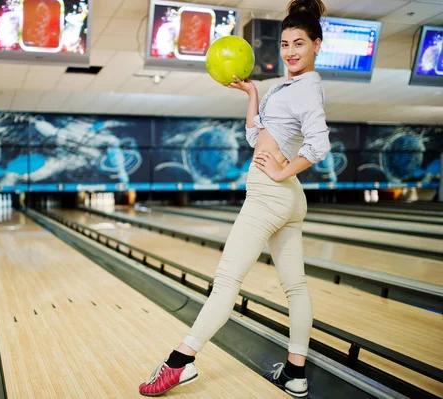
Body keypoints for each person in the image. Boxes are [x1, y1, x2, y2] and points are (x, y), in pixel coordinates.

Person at [138, 0, 330, 397]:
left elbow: (319, 145)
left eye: (299, 43)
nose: (291, 51)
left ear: (317, 45)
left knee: (226, 281)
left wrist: (280, 171)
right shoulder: (288, 87)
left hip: (269, 194)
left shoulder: (307, 89)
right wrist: (253, 96)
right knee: (295, 287)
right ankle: (295, 374)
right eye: (284, 44)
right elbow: (255, 137)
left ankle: (180, 362)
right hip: (288, 200)